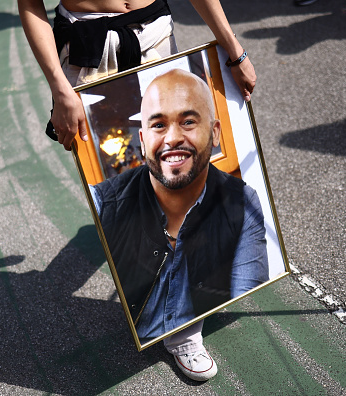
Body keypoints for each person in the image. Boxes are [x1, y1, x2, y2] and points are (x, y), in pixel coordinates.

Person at [90, 69, 269, 381]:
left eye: (188, 121)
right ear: (143, 140)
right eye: (159, 125)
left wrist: (235, 52)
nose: (172, 138)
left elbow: (247, 283)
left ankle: (185, 332)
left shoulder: (241, 201)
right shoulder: (106, 201)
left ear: (214, 133)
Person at [17, 0, 256, 151]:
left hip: (156, 36)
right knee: (111, 157)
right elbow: (29, 3)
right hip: (88, 48)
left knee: (177, 146)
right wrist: (59, 88)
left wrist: (236, 52)